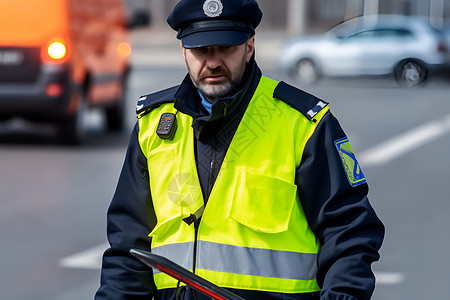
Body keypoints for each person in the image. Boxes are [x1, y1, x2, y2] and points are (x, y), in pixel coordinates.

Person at [95, 0, 385, 299]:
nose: (212, 62)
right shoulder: (153, 125)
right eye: (200, 50)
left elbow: (349, 234)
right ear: (183, 51)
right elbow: (127, 250)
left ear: (249, 47)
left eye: (226, 48)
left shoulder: (303, 123)